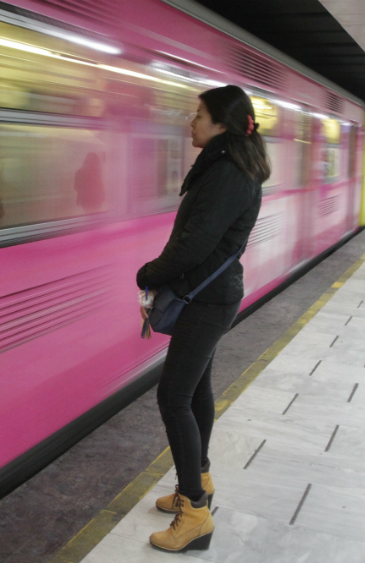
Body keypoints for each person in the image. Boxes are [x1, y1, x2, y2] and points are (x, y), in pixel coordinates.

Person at [136, 85, 267, 553]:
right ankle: (201, 482)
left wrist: (148, 274)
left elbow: (196, 241)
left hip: (206, 299)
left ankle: (195, 513)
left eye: (198, 115)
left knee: (173, 397)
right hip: (210, 295)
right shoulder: (226, 165)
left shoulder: (227, 172)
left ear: (221, 126)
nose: (190, 123)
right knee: (196, 390)